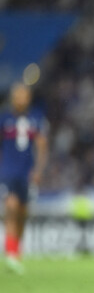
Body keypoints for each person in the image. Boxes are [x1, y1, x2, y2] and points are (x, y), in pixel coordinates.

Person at [1, 82, 49, 273]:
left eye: (24, 95)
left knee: (23, 213)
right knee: (11, 207)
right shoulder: (4, 118)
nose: (21, 99)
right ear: (13, 98)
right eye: (18, 95)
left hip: (26, 172)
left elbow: (42, 145)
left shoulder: (36, 118)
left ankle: (16, 252)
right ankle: (10, 253)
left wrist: (38, 169)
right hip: (7, 172)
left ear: (28, 98)